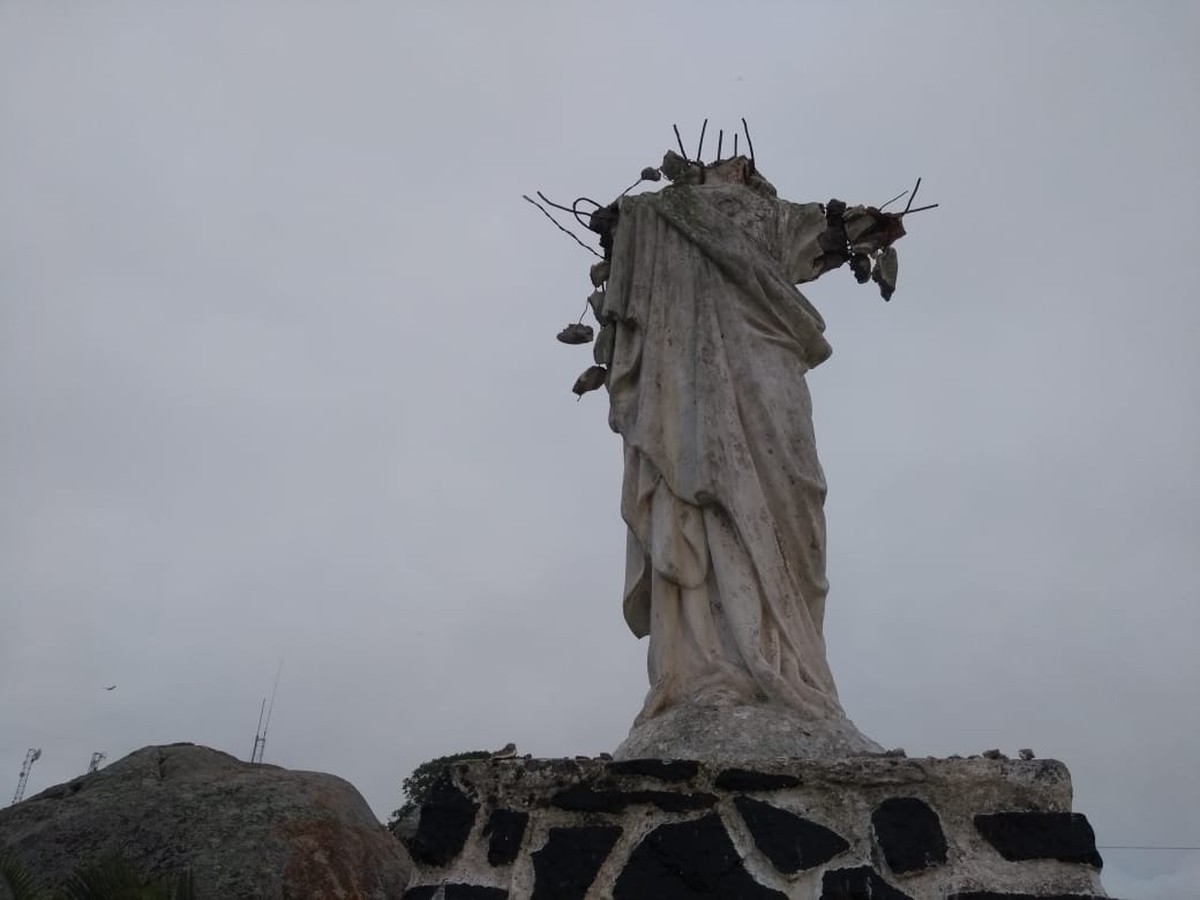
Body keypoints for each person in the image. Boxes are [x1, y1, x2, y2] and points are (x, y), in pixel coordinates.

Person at [592, 152, 904, 730]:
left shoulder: (778, 217)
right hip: (682, 376)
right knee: (693, 497)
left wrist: (874, 226)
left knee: (796, 494)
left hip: (769, 360)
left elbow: (846, 231)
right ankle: (704, 669)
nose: (737, 165)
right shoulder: (654, 214)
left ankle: (793, 667)